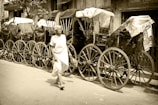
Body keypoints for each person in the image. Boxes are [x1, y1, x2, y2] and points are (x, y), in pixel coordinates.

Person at [49, 25, 69, 90]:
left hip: (64, 54)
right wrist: (54, 56)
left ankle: (57, 79)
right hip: (57, 54)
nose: (60, 30)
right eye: (59, 29)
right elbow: (51, 47)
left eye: (61, 29)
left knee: (63, 67)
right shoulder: (53, 38)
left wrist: (70, 55)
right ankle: (61, 83)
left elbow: (65, 46)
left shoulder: (64, 37)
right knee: (59, 68)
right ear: (56, 31)